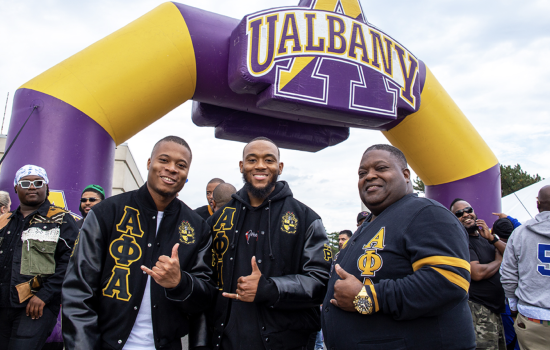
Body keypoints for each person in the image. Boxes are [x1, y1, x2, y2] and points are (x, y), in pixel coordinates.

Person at [62, 136, 215, 350]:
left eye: (181, 165)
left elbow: (205, 298)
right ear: (149, 163)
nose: (172, 169)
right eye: (164, 160)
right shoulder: (106, 213)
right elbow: (78, 291)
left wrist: (180, 283)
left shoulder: (198, 227)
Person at [323, 144, 475, 350]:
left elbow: (449, 281)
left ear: (405, 175)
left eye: (381, 168)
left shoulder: (426, 212)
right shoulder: (371, 223)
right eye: (362, 172)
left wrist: (367, 297)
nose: (369, 176)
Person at [207, 136, 331, 350]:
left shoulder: (306, 218)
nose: (260, 166)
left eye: (269, 160)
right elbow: (203, 279)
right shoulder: (217, 221)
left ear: (279, 166)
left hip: (286, 342)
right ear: (241, 166)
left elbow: (321, 283)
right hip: (225, 342)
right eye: (252, 160)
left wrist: (270, 288)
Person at [0, 165, 78, 349]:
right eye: (25, 183)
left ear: (47, 188)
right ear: (16, 188)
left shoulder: (62, 219)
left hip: (36, 306)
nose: (32, 187)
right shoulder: (5, 220)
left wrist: (44, 296)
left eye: (38, 182)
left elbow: (70, 263)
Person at [450, 199, 507, 350]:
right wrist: (499, 261)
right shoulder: (461, 240)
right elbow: (477, 273)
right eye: (459, 213)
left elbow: (513, 254)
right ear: (453, 219)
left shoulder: (485, 237)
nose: (466, 214)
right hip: (479, 311)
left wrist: (492, 239)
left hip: (495, 310)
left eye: (468, 210)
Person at [501, 185, 550, 350]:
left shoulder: (520, 233)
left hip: (533, 319)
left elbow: (508, 276)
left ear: (538, 204)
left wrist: (513, 309)